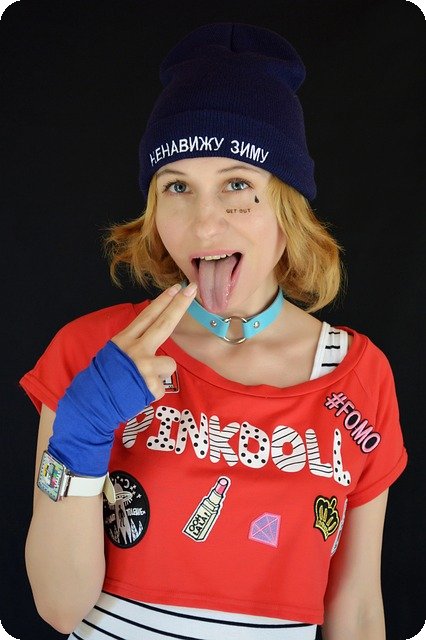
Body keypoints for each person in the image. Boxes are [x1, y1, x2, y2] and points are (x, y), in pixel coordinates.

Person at [21, 22, 408, 640]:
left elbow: (358, 609)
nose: (205, 224)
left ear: (288, 207)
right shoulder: (92, 351)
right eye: (178, 186)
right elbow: (59, 608)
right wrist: (81, 429)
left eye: (238, 185)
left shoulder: (360, 377)